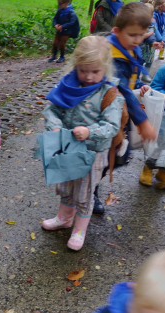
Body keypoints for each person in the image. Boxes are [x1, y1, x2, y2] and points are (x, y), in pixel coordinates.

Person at [42, 36, 122, 251]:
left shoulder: (109, 93)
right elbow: (51, 109)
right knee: (66, 185)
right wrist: (55, 125)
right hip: (67, 148)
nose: (88, 77)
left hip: (92, 152)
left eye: (95, 71)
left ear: (105, 68)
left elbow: (112, 125)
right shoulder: (68, 84)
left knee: (85, 192)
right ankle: (64, 217)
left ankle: (80, 229)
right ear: (75, 65)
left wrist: (90, 131)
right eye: (83, 70)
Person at [93, 2, 157, 215]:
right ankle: (89, 190)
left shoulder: (130, 47)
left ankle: (91, 183)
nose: (138, 40)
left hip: (120, 112)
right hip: (104, 113)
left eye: (141, 35)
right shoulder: (111, 54)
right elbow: (121, 88)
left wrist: (139, 84)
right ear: (116, 30)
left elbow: (129, 82)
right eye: (132, 35)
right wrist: (143, 121)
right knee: (110, 153)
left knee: (120, 154)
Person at [139, 58, 165, 190]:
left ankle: (164, 173)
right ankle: (147, 170)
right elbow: (155, 88)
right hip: (164, 116)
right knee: (158, 143)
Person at [140, 2, 165, 82]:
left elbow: (152, 35)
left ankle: (145, 75)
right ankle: (136, 77)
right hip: (141, 49)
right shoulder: (139, 25)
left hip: (150, 49)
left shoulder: (151, 25)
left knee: (149, 62)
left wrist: (155, 41)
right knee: (139, 62)